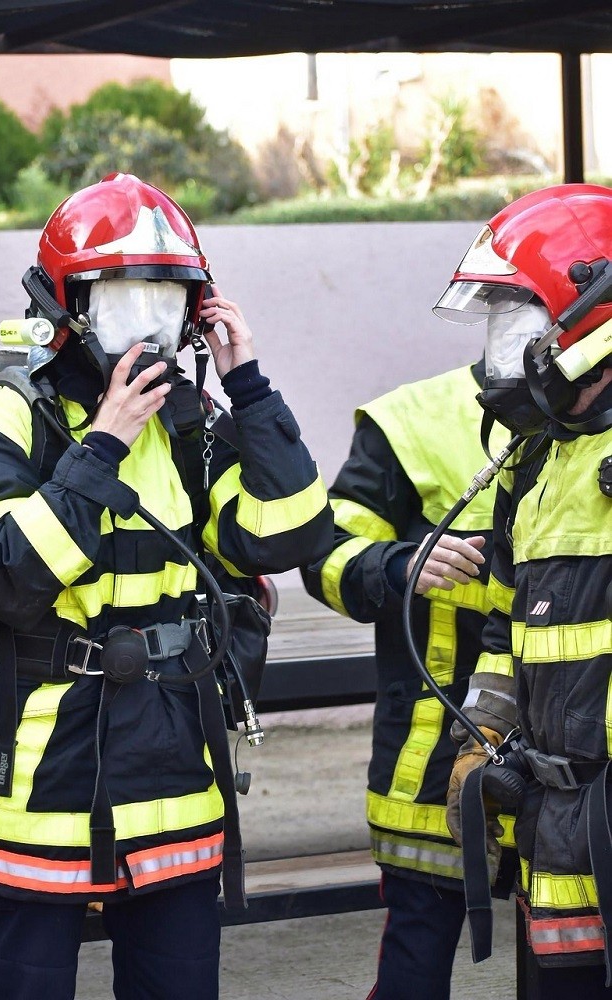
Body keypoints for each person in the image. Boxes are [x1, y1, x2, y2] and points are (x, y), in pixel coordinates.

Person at [0, 171, 333, 1000]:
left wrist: (252, 388)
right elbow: (5, 579)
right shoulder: (9, 421)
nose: (148, 318)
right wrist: (102, 449)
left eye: (167, 295)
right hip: (35, 785)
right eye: (124, 292)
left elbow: (291, 534)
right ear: (70, 303)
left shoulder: (194, 423)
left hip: (173, 786)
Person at [438, 183, 612, 998]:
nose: (498, 354)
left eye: (517, 324)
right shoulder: (538, 464)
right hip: (560, 832)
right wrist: (484, 734)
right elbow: (509, 637)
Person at [300, 355, 517, 1000]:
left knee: (573, 956)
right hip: (435, 758)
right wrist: (399, 564)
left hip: (583, 749)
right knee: (417, 962)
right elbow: (323, 556)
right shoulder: (414, 421)